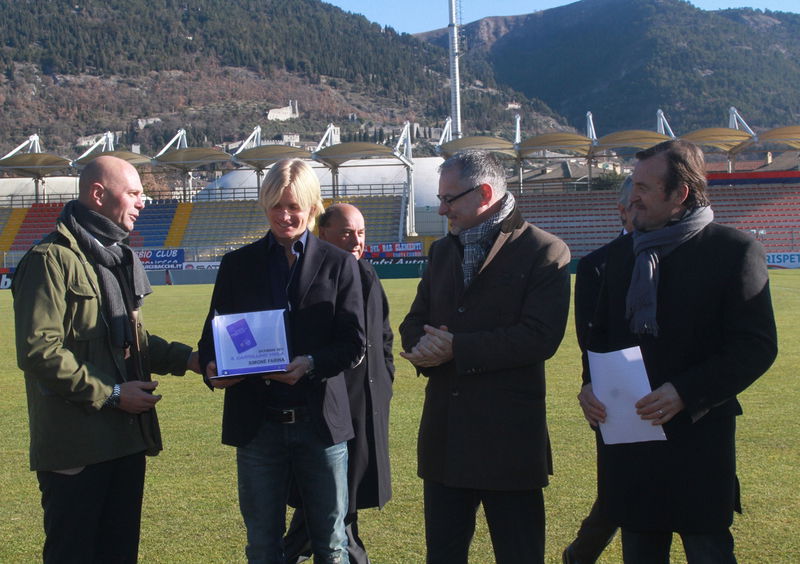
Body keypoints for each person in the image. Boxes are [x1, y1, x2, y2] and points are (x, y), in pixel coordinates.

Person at [580, 139, 778, 563]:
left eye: (645, 188)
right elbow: (600, 339)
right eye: (633, 184)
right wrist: (588, 385)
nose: (632, 196)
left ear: (680, 194)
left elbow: (756, 346)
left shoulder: (734, 251)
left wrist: (686, 392)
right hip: (631, 448)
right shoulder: (619, 256)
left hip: (698, 447)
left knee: (707, 551)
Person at [12, 155, 201, 564]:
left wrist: (191, 360)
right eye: (133, 193)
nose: (143, 202)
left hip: (124, 440)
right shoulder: (50, 260)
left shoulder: (116, 257)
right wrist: (114, 394)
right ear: (98, 194)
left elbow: (132, 341)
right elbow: (38, 351)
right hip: (76, 448)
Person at [399, 150, 571, 564]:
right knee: (443, 555)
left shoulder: (544, 251)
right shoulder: (442, 252)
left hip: (508, 443)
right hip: (445, 441)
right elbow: (414, 321)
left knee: (519, 554)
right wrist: (422, 348)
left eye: (449, 198)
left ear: (486, 193)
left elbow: (539, 338)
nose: (442, 209)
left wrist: (457, 348)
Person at [198, 159, 365, 564]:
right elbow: (211, 340)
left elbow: (354, 343)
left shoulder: (340, 264)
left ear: (311, 208)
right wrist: (212, 369)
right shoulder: (237, 264)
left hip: (320, 425)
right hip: (258, 426)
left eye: (294, 206)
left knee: (331, 544)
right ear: (264, 205)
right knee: (262, 545)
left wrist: (309, 362)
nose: (285, 215)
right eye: (276, 205)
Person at [283, 203, 394, 564]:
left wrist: (385, 380)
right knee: (336, 502)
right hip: (331, 408)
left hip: (367, 404)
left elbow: (383, 337)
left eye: (361, 233)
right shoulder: (316, 275)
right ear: (323, 231)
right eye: (346, 232)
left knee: (338, 499)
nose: (356, 240)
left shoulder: (367, 273)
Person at [563, 177, 633, 564]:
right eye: (633, 205)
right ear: (622, 211)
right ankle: (580, 553)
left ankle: (580, 553)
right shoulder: (597, 265)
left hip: (675, 397)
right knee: (618, 493)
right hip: (616, 399)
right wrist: (593, 386)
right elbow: (590, 341)